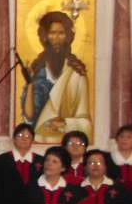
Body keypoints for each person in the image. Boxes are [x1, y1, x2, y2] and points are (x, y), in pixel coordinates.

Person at [20, 11, 92, 144]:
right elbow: (29, 117)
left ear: (68, 37)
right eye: (52, 33)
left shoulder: (76, 75)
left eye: (61, 33)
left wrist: (65, 122)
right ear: (44, 37)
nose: (57, 38)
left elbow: (86, 123)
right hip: (37, 141)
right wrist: (30, 84)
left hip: (67, 143)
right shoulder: (37, 71)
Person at [107, 124, 132, 196]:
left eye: (129, 137)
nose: (124, 139)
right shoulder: (107, 158)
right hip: (113, 198)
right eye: (122, 136)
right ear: (117, 139)